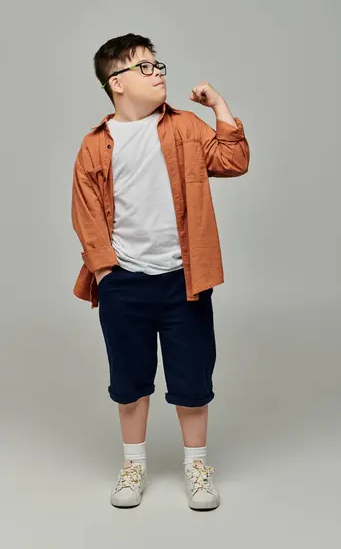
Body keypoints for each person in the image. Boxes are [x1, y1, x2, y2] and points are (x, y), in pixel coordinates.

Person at [71, 33, 250, 510]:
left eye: (159, 64)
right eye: (145, 67)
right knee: (129, 383)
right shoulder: (95, 145)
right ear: (117, 83)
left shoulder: (185, 127)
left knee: (192, 381)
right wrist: (107, 277)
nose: (158, 72)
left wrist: (219, 105)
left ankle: (197, 465)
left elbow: (233, 159)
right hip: (124, 282)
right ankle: (133, 464)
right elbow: (86, 216)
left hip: (183, 280)